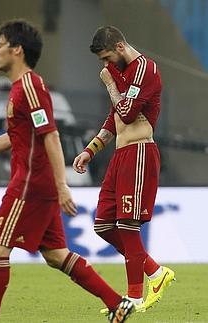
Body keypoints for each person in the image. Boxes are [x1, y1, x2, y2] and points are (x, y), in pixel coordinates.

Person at [0, 20, 134, 323]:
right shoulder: (20, 89)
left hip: (30, 183)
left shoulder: (30, 86)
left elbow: (51, 134)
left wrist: (61, 185)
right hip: (36, 183)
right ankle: (117, 304)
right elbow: (18, 135)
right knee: (56, 254)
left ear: (17, 50)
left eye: (0, 44)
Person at [73, 25, 175, 313]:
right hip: (121, 155)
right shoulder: (122, 74)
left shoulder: (144, 68)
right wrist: (90, 150)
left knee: (128, 225)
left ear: (119, 47)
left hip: (140, 151)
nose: (105, 65)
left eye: (106, 57)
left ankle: (134, 297)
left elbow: (128, 114)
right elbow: (114, 119)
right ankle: (155, 272)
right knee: (103, 224)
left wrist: (109, 85)